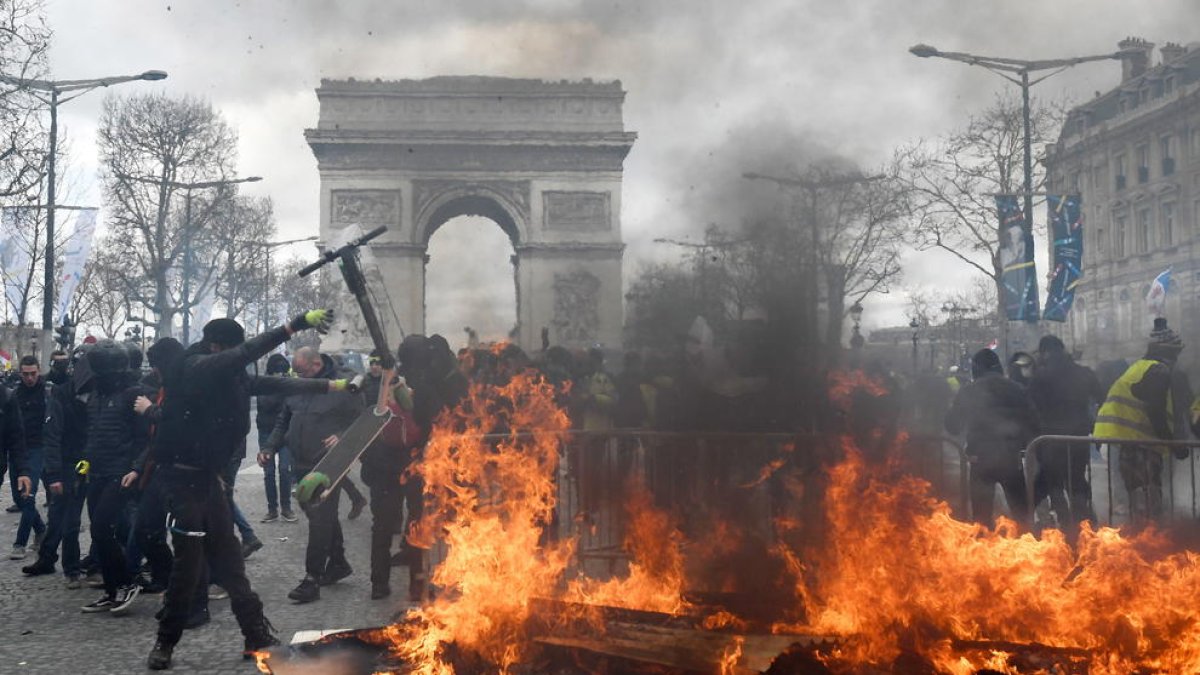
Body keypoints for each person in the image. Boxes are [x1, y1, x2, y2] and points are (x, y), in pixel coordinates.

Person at [147, 313, 342, 669]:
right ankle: (165, 642)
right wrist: (293, 325)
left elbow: (273, 384)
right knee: (188, 567)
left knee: (231, 561)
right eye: (232, 350)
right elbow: (245, 355)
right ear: (217, 347)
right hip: (182, 481)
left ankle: (256, 635)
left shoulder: (227, 375)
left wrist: (331, 387)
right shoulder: (196, 367)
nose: (238, 355)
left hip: (208, 479)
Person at [261, 346, 362, 605]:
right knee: (320, 515)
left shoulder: (343, 384)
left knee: (319, 518)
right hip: (301, 460)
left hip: (329, 462)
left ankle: (311, 579)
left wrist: (341, 435)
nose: (297, 375)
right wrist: (270, 447)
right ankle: (338, 562)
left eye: (301, 371)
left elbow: (361, 418)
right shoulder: (298, 385)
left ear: (316, 365)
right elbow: (283, 420)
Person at [76, 340, 149, 617]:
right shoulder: (94, 396)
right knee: (100, 529)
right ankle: (111, 589)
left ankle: (126, 582)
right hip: (97, 471)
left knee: (102, 528)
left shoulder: (134, 395)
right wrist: (83, 464)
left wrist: (136, 468)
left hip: (121, 473)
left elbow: (145, 439)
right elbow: (93, 435)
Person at [1094, 318, 1187, 525]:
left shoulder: (1140, 366)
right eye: (1176, 352)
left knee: (1131, 500)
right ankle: (1142, 543)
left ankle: (1136, 542)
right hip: (1133, 443)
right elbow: (1155, 411)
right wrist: (1171, 444)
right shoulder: (1158, 370)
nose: (1177, 357)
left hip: (1120, 440)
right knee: (1143, 501)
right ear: (1167, 351)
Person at [944, 348, 1039, 527]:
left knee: (981, 519)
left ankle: (983, 548)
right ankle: (1024, 548)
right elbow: (1034, 422)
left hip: (980, 459)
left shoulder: (969, 391)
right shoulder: (1016, 389)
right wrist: (1025, 444)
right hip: (1011, 458)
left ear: (976, 368)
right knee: (1021, 515)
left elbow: (952, 426)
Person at [24, 345, 92, 584]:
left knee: (68, 517)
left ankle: (65, 562)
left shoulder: (97, 393)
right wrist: (53, 474)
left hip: (86, 461)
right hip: (69, 462)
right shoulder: (63, 395)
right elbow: (52, 435)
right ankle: (60, 562)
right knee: (62, 514)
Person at [1028, 335, 1105, 537]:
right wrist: (1093, 424)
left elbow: (1031, 406)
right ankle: (1085, 526)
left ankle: (1065, 527)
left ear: (1045, 352)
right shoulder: (1084, 373)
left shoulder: (1041, 376)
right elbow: (1102, 398)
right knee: (1077, 480)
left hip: (1050, 439)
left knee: (1054, 483)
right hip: (1077, 437)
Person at [10, 356, 48, 559]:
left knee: (28, 494)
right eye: (25, 374)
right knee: (18, 497)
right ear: (20, 373)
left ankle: (20, 543)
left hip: (37, 448)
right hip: (17, 449)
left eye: (33, 373)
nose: (30, 378)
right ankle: (40, 528)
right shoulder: (14, 394)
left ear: (39, 371)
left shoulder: (47, 393)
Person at [257, 353, 296, 523]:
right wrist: (281, 389)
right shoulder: (264, 384)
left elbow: (293, 405)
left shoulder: (288, 385)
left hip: (286, 433)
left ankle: (286, 508)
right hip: (266, 432)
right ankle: (272, 509)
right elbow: (266, 403)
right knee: (269, 472)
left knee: (284, 470)